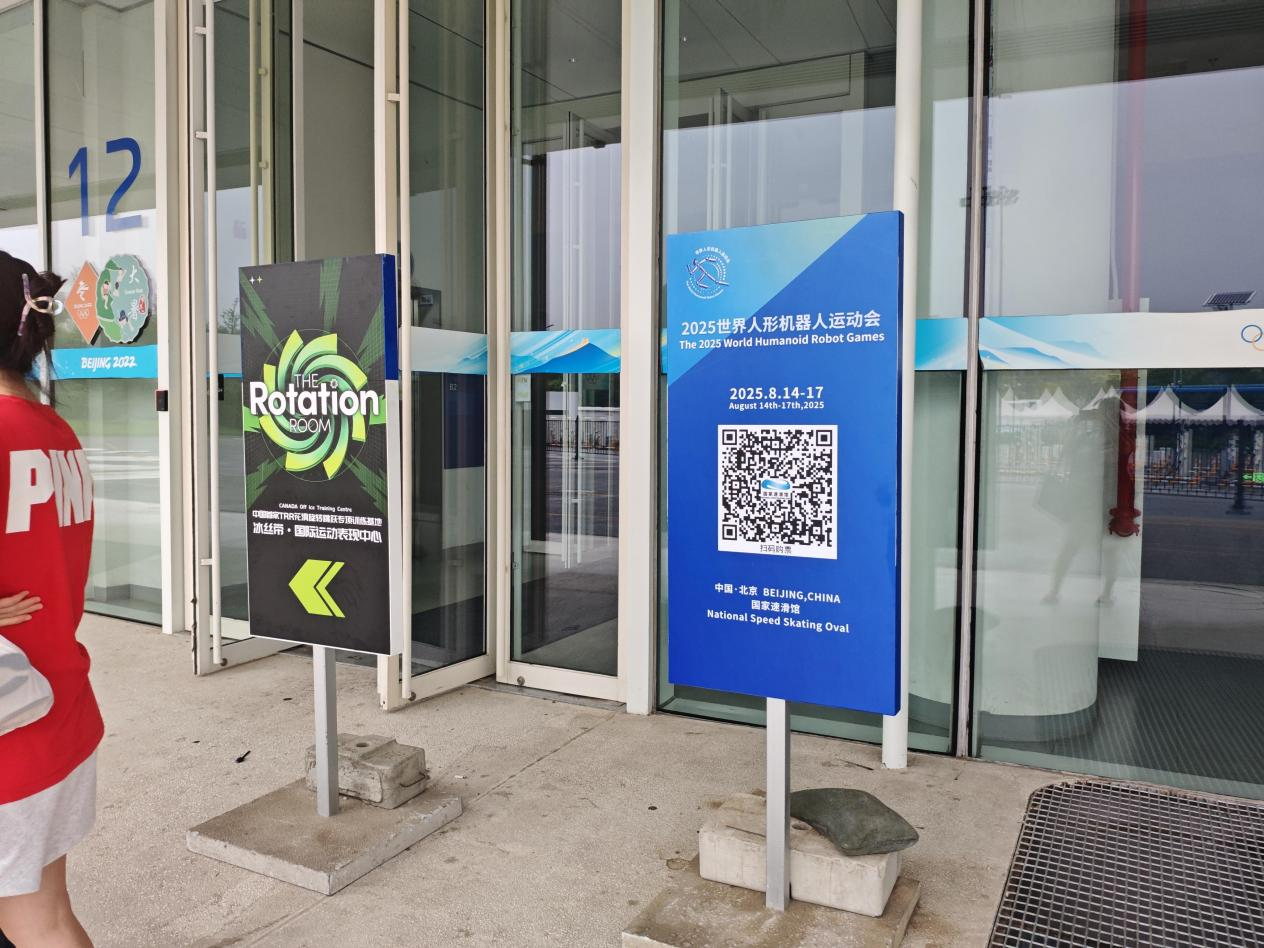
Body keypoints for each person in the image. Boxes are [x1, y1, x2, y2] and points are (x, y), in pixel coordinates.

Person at [0, 251, 100, 948]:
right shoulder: (57, 432)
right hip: (57, 703)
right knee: (50, 914)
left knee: (34, 923)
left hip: (11, 729)